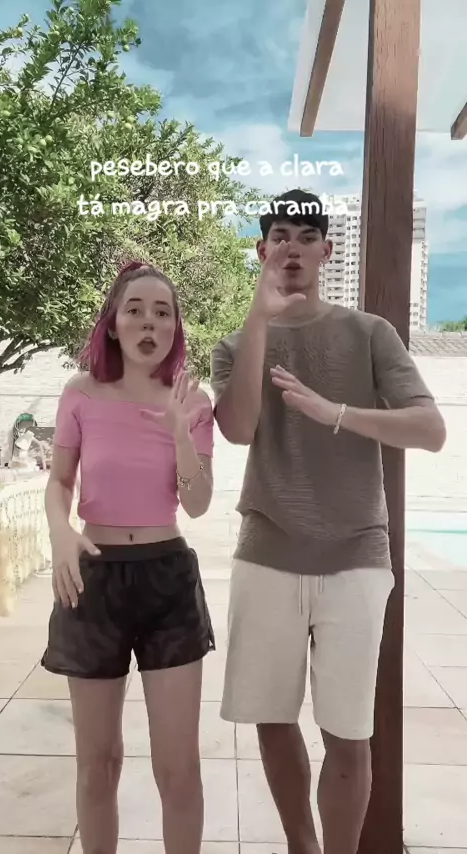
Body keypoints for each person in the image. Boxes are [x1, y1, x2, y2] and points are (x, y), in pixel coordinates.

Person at [210, 189, 446, 854]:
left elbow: (430, 429)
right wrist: (258, 321)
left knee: (349, 731)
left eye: (306, 236)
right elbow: (237, 429)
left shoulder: (369, 333)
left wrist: (335, 413)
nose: (292, 246)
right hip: (267, 551)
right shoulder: (235, 345)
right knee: (271, 717)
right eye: (279, 236)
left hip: (356, 557)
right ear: (261, 250)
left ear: (326, 251)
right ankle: (301, 847)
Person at [41, 260, 215, 854]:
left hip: (168, 579)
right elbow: (60, 481)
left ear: (175, 328)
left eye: (162, 312)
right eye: (135, 310)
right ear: (113, 324)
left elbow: (197, 504)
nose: (149, 322)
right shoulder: (81, 393)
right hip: (92, 580)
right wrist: (60, 531)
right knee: (99, 763)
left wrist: (178, 432)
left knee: (179, 768)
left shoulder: (193, 401)